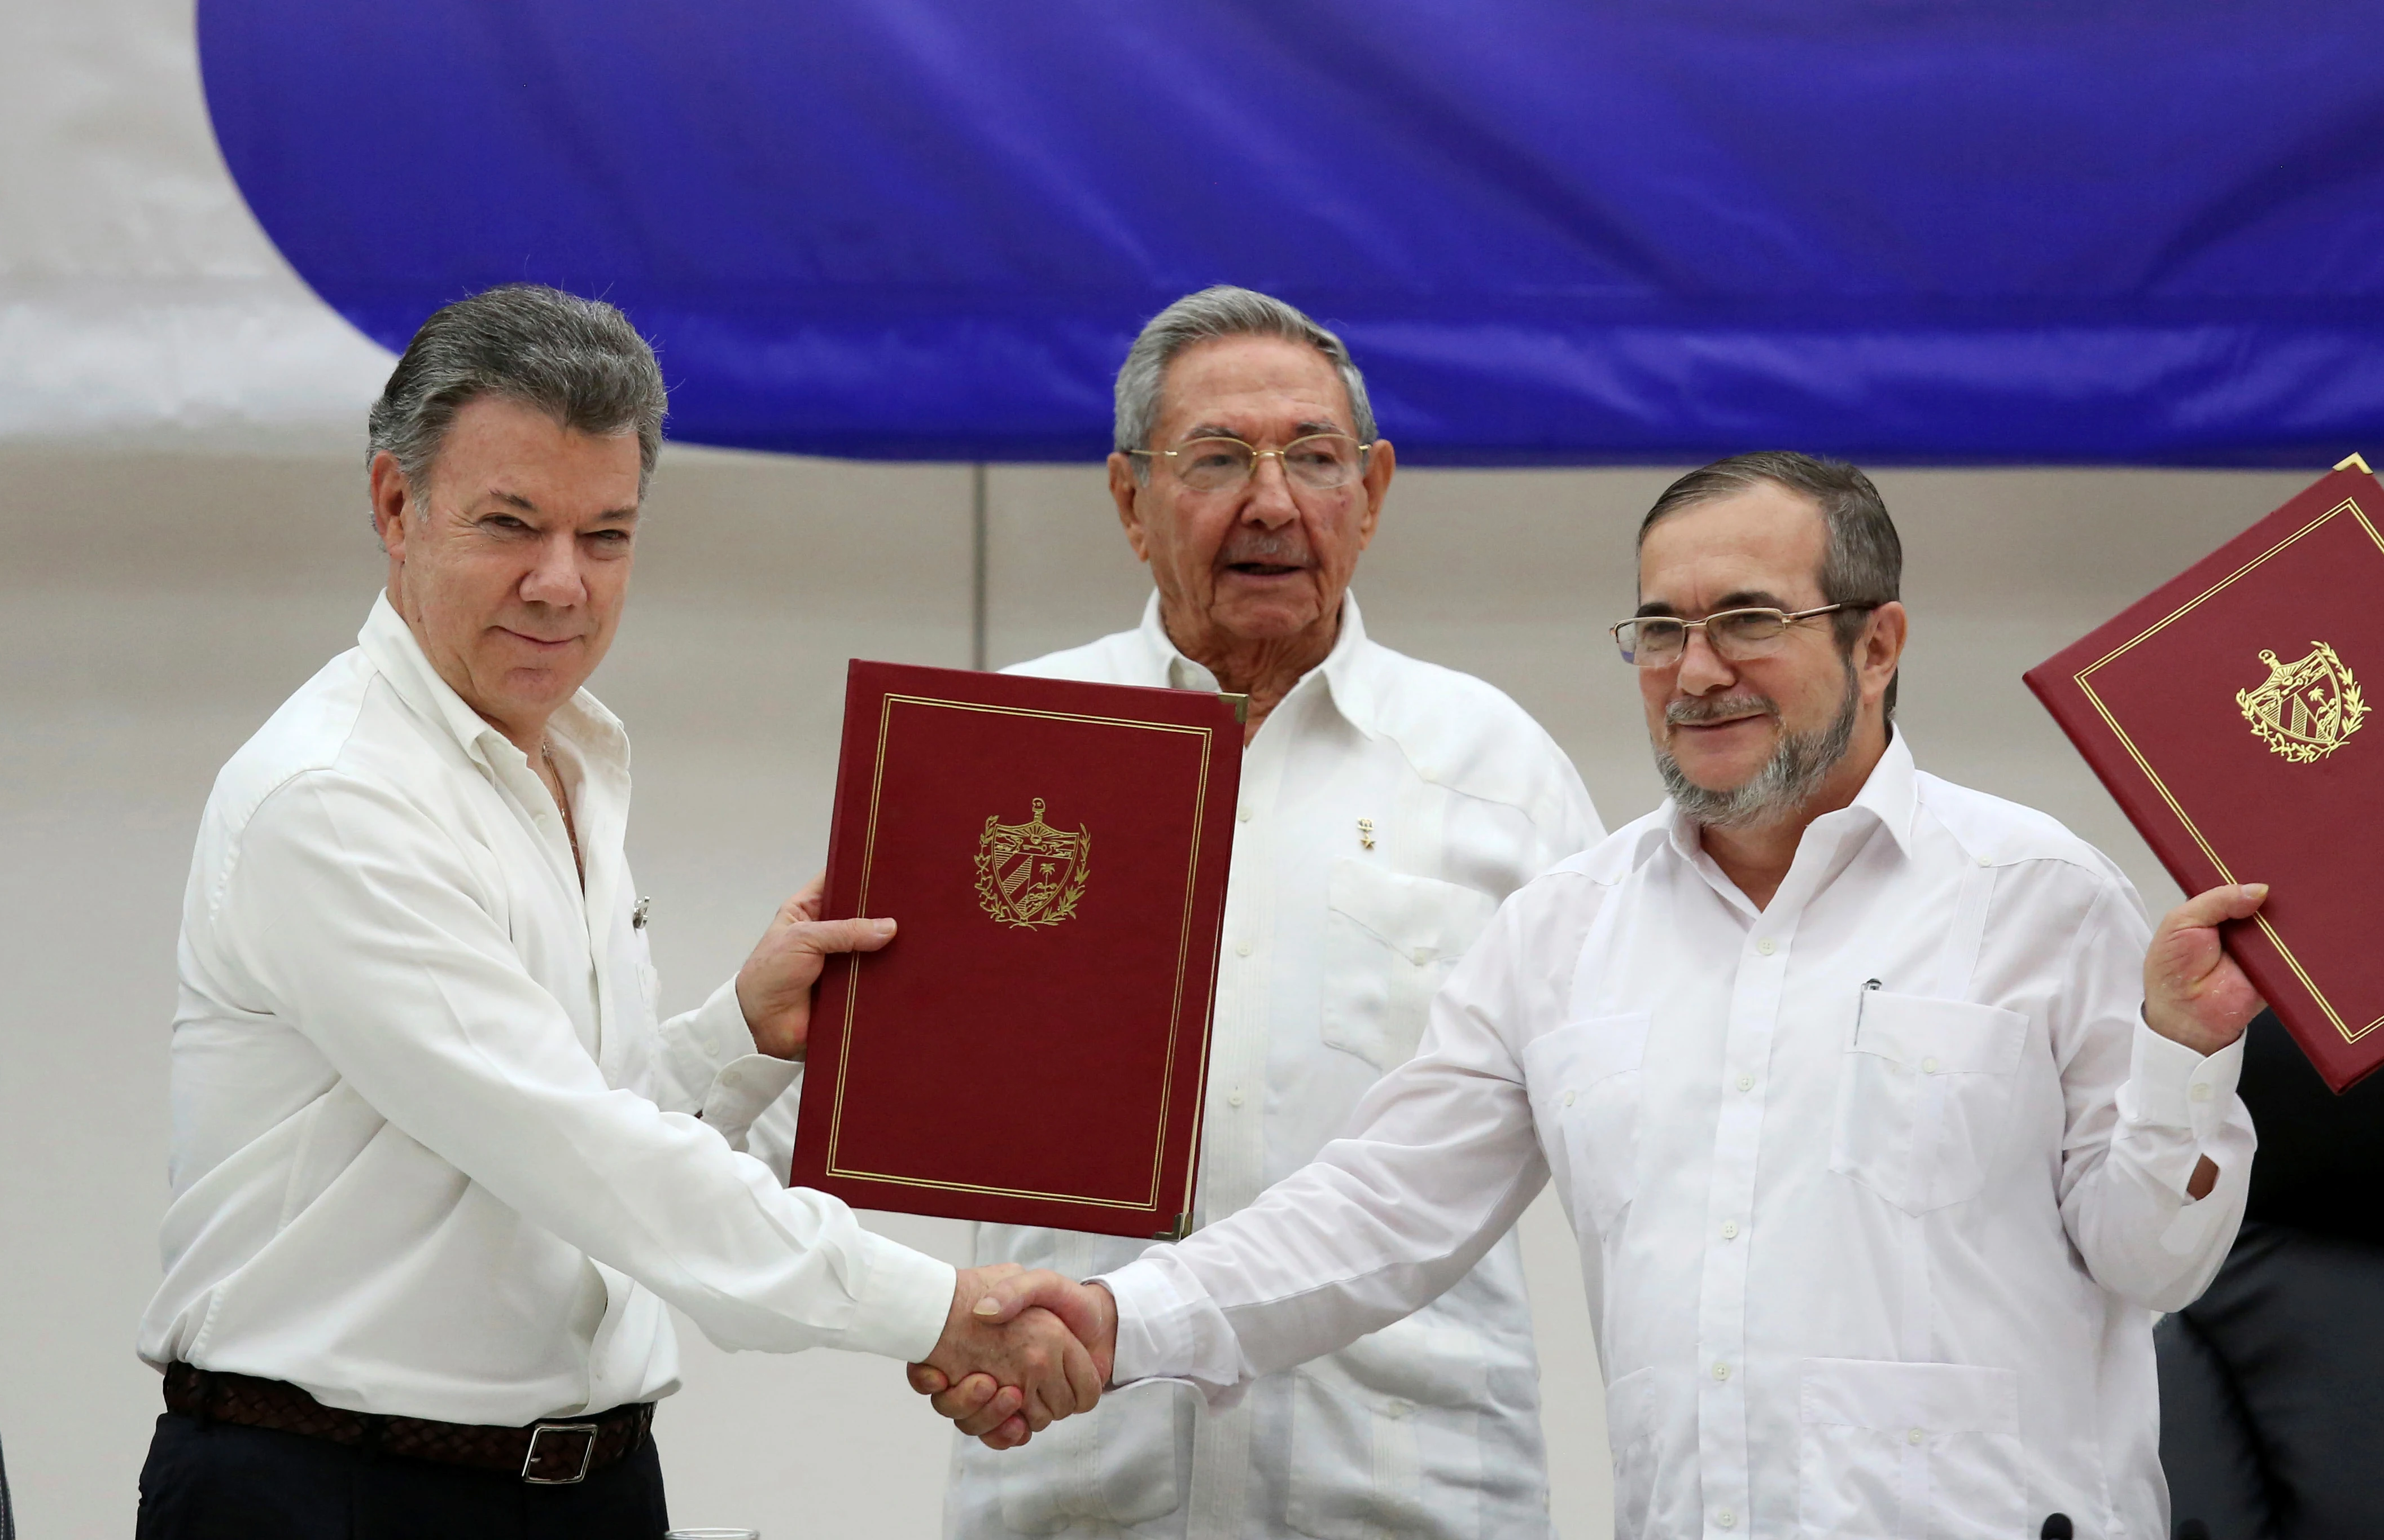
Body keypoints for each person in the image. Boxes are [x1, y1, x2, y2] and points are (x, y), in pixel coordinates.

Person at [932, 452, 2271, 1539]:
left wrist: (2183, 1058)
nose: (1696, 672)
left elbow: (2155, 1258)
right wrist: (1118, 1319)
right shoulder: (1565, 930)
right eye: (1662, 629)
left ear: (1879, 644)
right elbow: (1374, 1210)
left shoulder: (2038, 893)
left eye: (1749, 619)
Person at [135, 284, 1101, 1539]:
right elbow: (583, 1156)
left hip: (589, 1487)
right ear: (394, 504)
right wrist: (940, 1306)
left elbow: (574, 1148)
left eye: (606, 535)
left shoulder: (568, 761)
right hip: (332, 1493)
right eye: (510, 523)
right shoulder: (337, 796)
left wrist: (742, 1035)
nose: (560, 582)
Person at [757, 286, 1603, 1538]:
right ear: (1127, 499)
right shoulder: (1003, 745)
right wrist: (926, 1310)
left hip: (1410, 1497)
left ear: (1371, 489)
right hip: (1070, 1482)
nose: (1272, 503)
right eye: (1215, 458)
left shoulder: (1496, 771)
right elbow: (807, 1110)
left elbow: (1614, 1130)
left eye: (1313, 457)